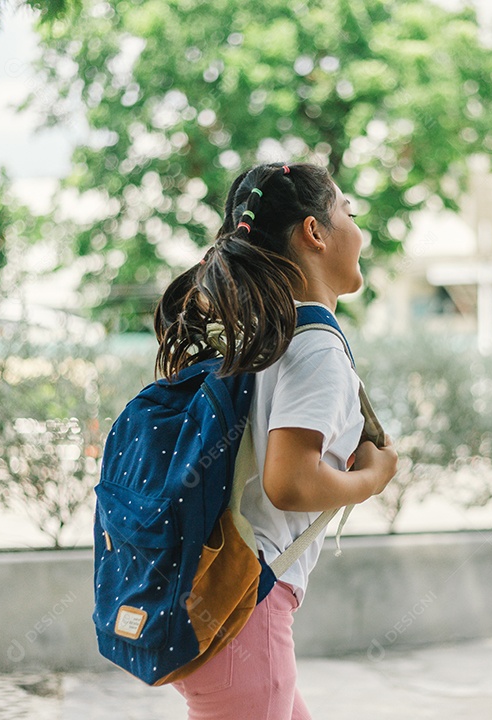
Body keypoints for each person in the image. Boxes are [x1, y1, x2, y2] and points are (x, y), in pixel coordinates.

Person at [152, 162, 400, 719]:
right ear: (315, 232)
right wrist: (372, 478)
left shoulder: (263, 339)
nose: (358, 230)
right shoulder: (315, 347)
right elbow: (289, 482)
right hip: (247, 610)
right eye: (348, 212)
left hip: (223, 602)